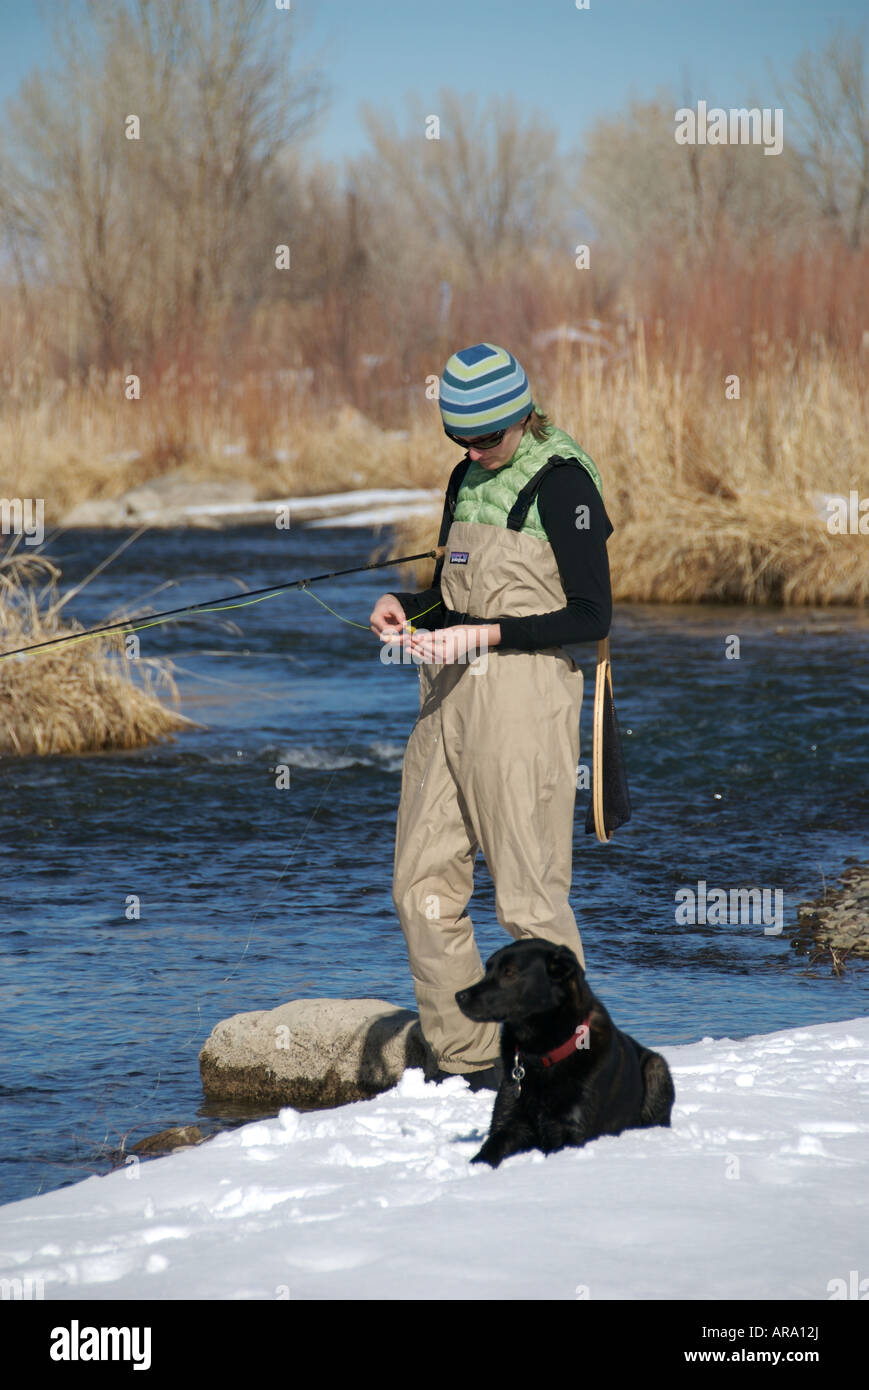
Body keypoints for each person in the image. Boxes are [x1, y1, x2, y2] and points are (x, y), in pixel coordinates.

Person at [369, 342, 613, 1090]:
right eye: (461, 439)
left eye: (488, 437)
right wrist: (407, 609)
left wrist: (484, 634)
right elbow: (455, 593)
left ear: (519, 415)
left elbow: (589, 615)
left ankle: (565, 1067)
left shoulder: (564, 485)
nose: (475, 451)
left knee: (527, 898)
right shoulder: (463, 476)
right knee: (421, 887)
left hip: (525, 700)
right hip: (445, 698)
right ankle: (473, 1065)